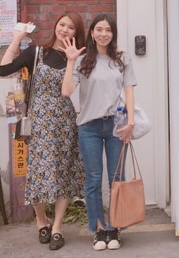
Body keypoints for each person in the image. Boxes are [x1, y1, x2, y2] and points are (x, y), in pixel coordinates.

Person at [0, 13, 86, 251]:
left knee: (64, 172)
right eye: (62, 25)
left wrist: (74, 60)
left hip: (65, 123)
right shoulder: (37, 52)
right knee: (37, 173)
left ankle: (57, 226)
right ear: (55, 26)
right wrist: (17, 38)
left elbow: (71, 89)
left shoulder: (77, 57)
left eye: (71, 27)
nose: (65, 30)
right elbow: (3, 69)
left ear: (77, 33)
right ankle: (41, 219)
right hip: (39, 124)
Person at [61, 14, 136, 251]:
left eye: (108, 30)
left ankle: (115, 227)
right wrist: (70, 61)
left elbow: (129, 90)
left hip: (116, 125)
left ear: (113, 34)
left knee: (117, 178)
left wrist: (131, 122)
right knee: (93, 180)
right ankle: (99, 229)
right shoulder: (82, 60)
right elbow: (66, 91)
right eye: (99, 30)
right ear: (92, 33)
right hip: (89, 127)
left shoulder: (122, 58)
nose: (104, 34)